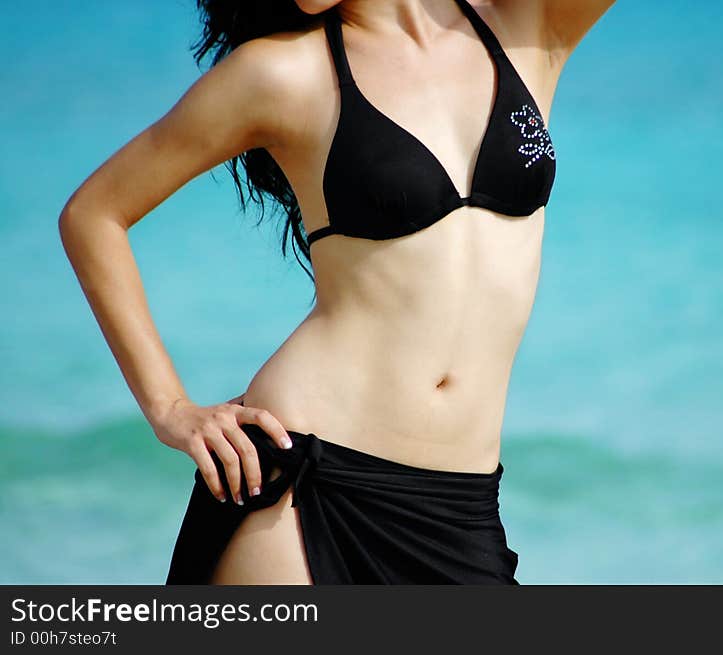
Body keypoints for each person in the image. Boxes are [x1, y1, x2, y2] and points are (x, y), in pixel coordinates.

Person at [58, 0, 616, 584]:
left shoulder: (524, 27)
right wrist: (170, 408)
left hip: (460, 507)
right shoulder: (280, 74)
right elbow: (94, 213)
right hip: (303, 489)